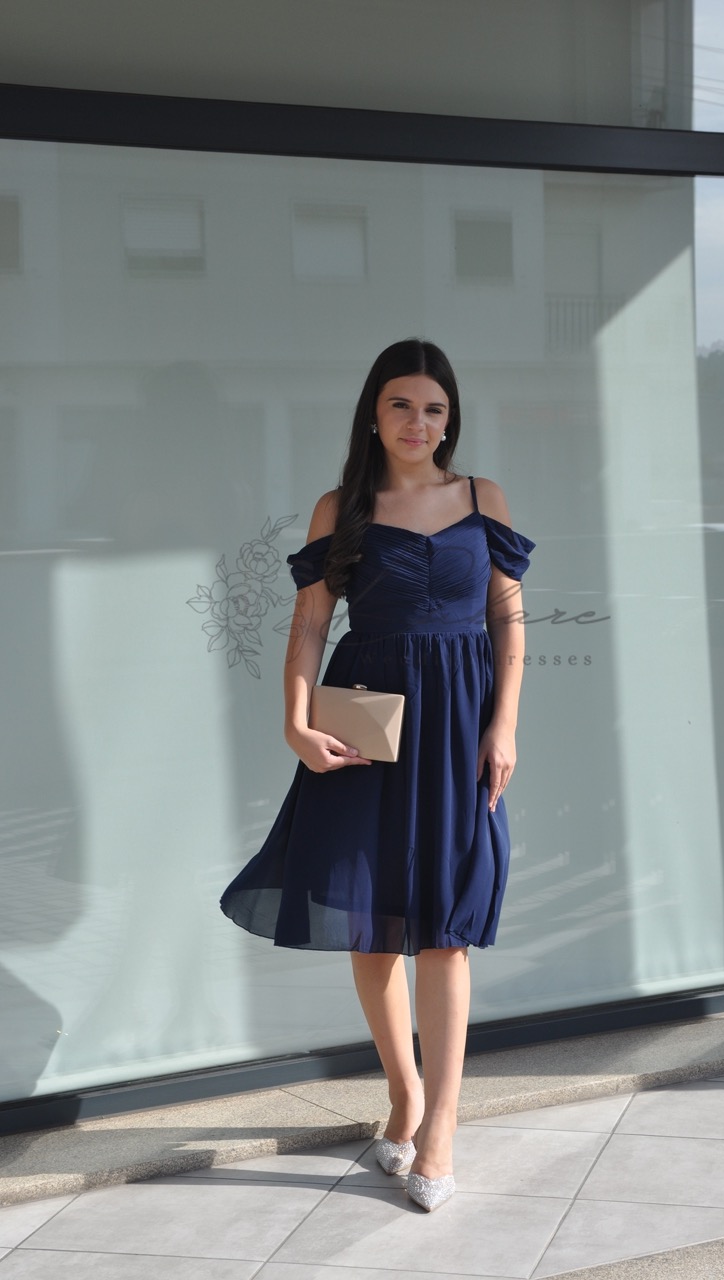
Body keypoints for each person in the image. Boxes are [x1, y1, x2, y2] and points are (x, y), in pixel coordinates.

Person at [221, 338, 534, 1211]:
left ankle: (442, 1127)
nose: (417, 423)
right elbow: (309, 626)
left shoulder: (483, 499)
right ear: (373, 413)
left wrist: (504, 725)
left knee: (446, 926)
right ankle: (403, 1094)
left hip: (460, 725)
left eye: (434, 409)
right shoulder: (342, 508)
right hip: (370, 727)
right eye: (402, 404)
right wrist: (295, 720)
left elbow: (508, 624)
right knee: (370, 922)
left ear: (450, 420)